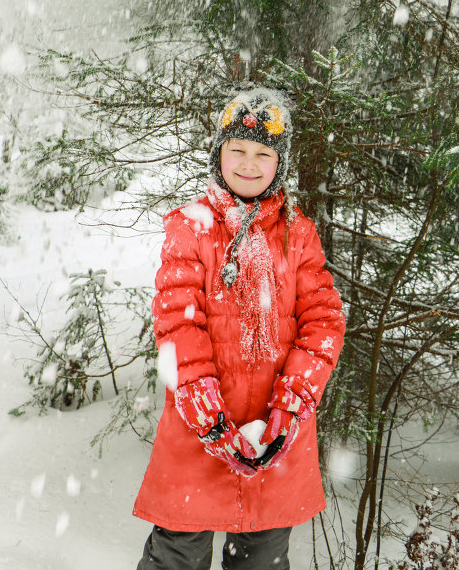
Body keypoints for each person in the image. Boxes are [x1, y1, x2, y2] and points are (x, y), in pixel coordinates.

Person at [133, 85, 346, 570]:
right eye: (238, 151)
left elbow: (324, 322)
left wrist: (290, 408)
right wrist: (207, 414)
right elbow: (177, 319)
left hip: (274, 435)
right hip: (199, 430)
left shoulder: (299, 233)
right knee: (176, 556)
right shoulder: (193, 228)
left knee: (262, 559)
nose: (249, 164)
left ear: (279, 163)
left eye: (262, 154)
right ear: (219, 155)